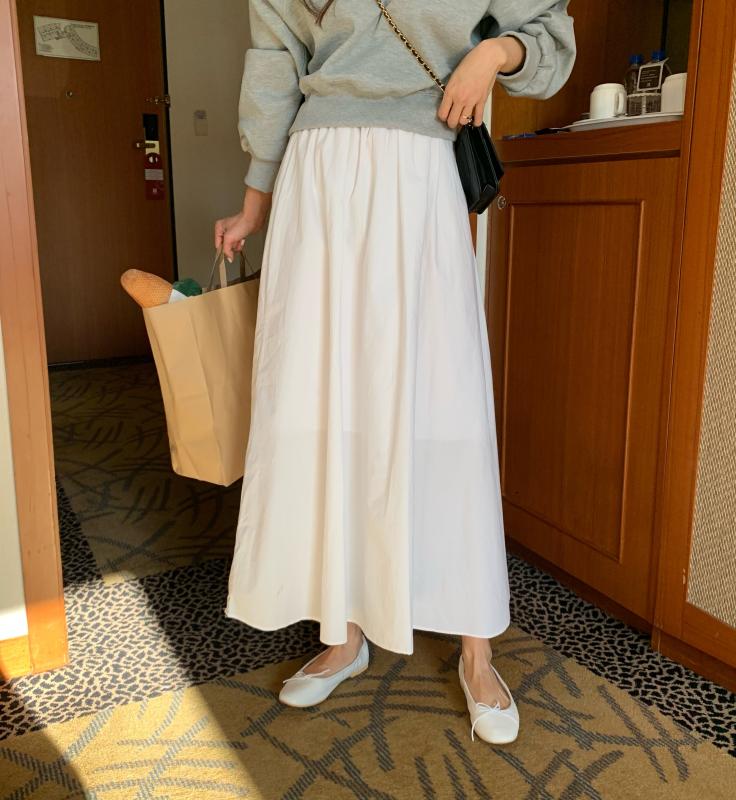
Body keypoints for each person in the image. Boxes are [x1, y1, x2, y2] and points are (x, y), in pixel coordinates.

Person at [216, 0, 575, 745]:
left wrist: (492, 55)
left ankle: (477, 651)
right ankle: (344, 631)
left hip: (422, 168)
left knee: (446, 407)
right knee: (325, 407)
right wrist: (254, 201)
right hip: (317, 176)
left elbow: (547, 30)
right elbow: (277, 60)